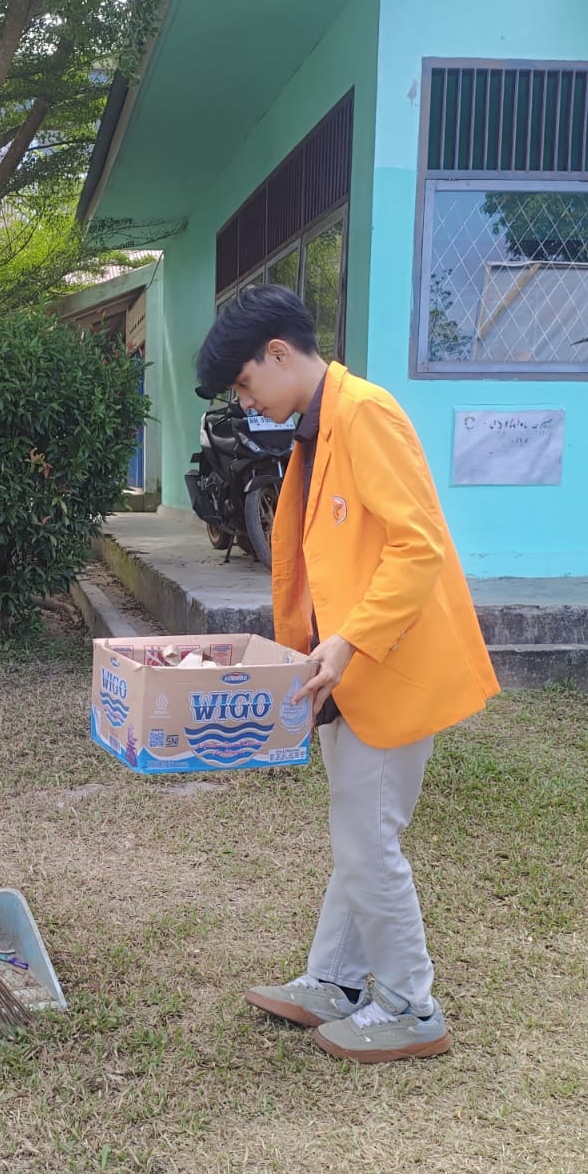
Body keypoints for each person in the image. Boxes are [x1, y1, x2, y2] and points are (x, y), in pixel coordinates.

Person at [197, 286, 499, 1064]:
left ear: (278, 354)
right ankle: (335, 980)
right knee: (358, 832)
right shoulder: (319, 424)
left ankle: (410, 1006)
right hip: (345, 672)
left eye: (245, 384)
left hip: (383, 667)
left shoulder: (364, 412)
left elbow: (417, 546)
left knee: (369, 839)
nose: (246, 402)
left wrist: (351, 640)